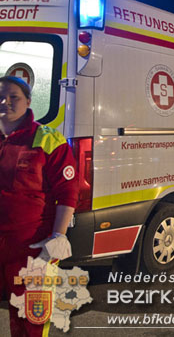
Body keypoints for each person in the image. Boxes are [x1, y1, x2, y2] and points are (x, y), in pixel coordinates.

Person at [0, 76, 79, 337]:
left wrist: (59, 235)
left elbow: (68, 191)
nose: (5, 102)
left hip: (35, 247)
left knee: (33, 317)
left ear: (29, 101)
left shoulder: (47, 139)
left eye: (14, 97)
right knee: (13, 310)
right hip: (3, 244)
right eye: (1, 96)